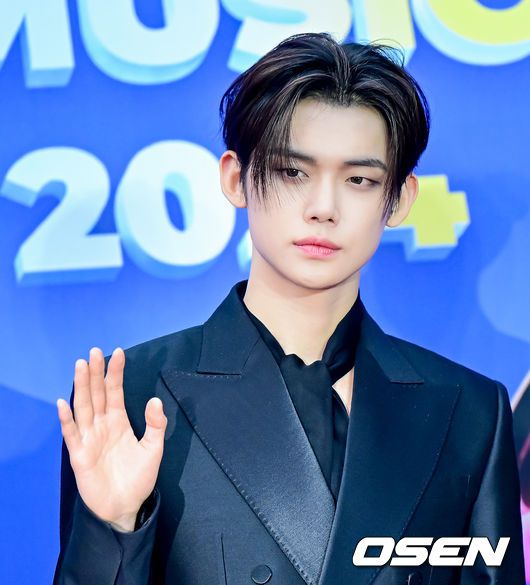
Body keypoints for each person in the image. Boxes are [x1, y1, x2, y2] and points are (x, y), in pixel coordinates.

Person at [53, 32, 525, 585]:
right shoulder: (135, 395)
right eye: (292, 172)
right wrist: (113, 526)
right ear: (236, 179)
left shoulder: (471, 412)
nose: (323, 208)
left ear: (398, 199)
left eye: (359, 179)